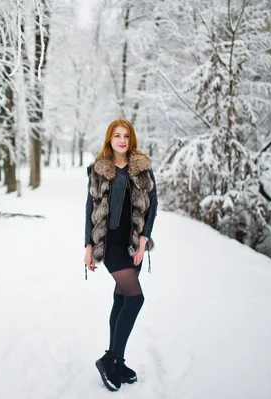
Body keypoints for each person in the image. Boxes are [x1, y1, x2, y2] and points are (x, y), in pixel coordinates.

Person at [84, 118, 157, 391]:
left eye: (126, 135)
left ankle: (117, 361)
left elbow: (153, 206)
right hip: (110, 243)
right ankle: (110, 359)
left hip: (132, 243)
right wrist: (88, 246)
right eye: (117, 135)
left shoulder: (142, 168)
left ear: (131, 138)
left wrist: (143, 240)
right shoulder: (98, 170)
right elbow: (89, 209)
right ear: (109, 139)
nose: (122, 140)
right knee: (136, 299)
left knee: (122, 299)